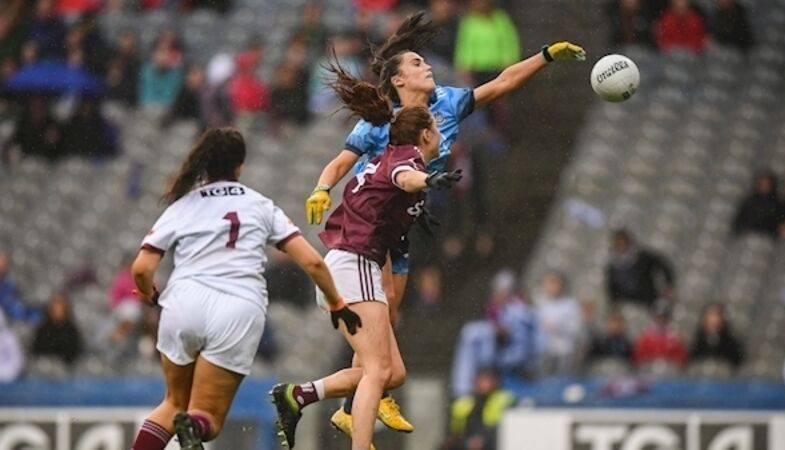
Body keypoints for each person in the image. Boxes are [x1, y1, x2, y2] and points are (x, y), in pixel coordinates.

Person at [303, 11, 585, 433]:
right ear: (399, 80)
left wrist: (543, 56)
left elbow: (502, 84)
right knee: (380, 315)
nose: (428, 66)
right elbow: (342, 161)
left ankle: (356, 399)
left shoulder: (448, 103)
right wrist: (322, 188)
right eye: (417, 63)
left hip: (405, 219)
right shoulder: (379, 121)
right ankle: (362, 402)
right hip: (373, 221)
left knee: (390, 314)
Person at [269, 62, 463, 450]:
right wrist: (429, 180)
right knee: (377, 370)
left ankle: (299, 395)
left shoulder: (390, 155)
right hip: (354, 262)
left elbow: (387, 195)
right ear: (425, 134)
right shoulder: (407, 160)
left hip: (356, 265)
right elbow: (405, 178)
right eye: (437, 129)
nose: (442, 135)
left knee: (393, 373)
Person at [128, 127, 357, 450]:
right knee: (207, 415)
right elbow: (313, 263)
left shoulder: (183, 205)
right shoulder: (259, 205)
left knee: (173, 402)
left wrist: (148, 293)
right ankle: (194, 426)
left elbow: (141, 268)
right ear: (239, 167)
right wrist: (337, 303)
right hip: (237, 306)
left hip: (183, 302)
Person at [450, 269, 534, 398]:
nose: (499, 295)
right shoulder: (496, 310)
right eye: (497, 290)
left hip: (512, 370)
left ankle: (465, 389)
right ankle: (463, 390)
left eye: (504, 291)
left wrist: (494, 364)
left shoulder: (520, 312)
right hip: (494, 365)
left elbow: (521, 353)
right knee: (470, 333)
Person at [442, 368, 516, 450]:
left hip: (494, 442)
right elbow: (455, 433)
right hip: (467, 443)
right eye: (481, 380)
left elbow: (505, 429)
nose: (483, 384)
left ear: (495, 381)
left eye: (486, 380)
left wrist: (482, 440)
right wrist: (467, 442)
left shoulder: (505, 400)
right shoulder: (464, 403)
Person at [606, 228, 675, 308]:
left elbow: (663, 265)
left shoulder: (642, 256)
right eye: (618, 242)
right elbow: (611, 286)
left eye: (622, 242)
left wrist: (669, 285)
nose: (621, 245)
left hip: (649, 301)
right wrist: (614, 303)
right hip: (627, 304)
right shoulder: (613, 264)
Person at [534, 271, 582, 375]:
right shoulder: (540, 304)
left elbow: (576, 329)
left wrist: (559, 327)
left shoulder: (570, 305)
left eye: (555, 283)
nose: (552, 287)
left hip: (564, 351)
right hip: (544, 350)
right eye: (549, 283)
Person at [31, 292, 83, 367]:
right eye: (55, 306)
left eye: (61, 306)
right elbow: (37, 353)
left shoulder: (72, 330)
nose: (58, 309)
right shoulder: (42, 329)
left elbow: (74, 354)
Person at [632, 300, 687, 370]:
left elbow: (681, 358)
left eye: (664, 317)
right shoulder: (644, 336)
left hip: (670, 372)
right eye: (658, 317)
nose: (661, 320)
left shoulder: (675, 337)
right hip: (648, 371)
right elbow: (638, 357)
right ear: (654, 317)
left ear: (668, 318)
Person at [689, 303, 744, 369]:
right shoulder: (697, 342)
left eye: (716, 315)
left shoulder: (731, 343)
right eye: (711, 315)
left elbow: (736, 362)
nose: (713, 319)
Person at [732, 171, 781, 238]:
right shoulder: (749, 202)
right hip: (749, 237)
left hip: (768, 238)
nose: (764, 187)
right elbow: (739, 224)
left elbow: (776, 226)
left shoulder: (776, 205)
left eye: (767, 185)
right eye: (762, 184)